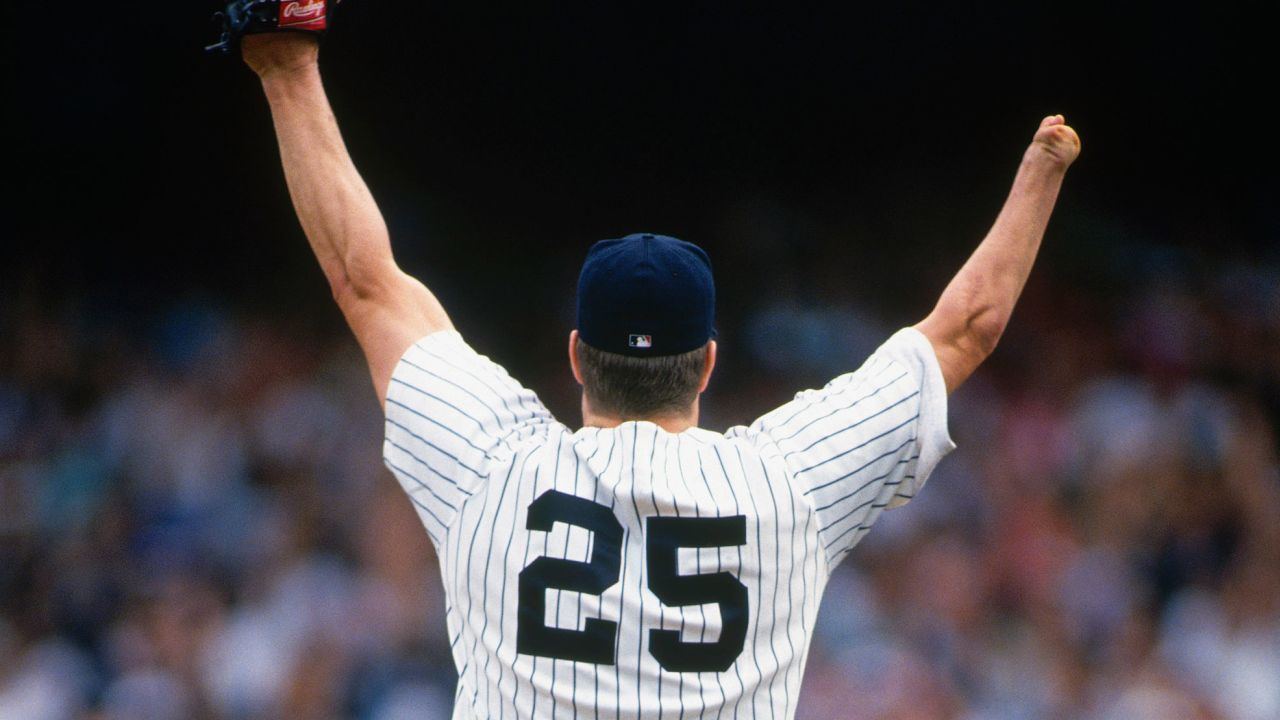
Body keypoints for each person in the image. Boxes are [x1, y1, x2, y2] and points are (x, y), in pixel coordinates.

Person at [240, 27, 1079, 720]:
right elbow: (968, 327)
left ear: (575, 355)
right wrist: (1043, 167)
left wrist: (288, 67)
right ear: (708, 363)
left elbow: (366, 280)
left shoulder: (493, 463)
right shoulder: (785, 481)